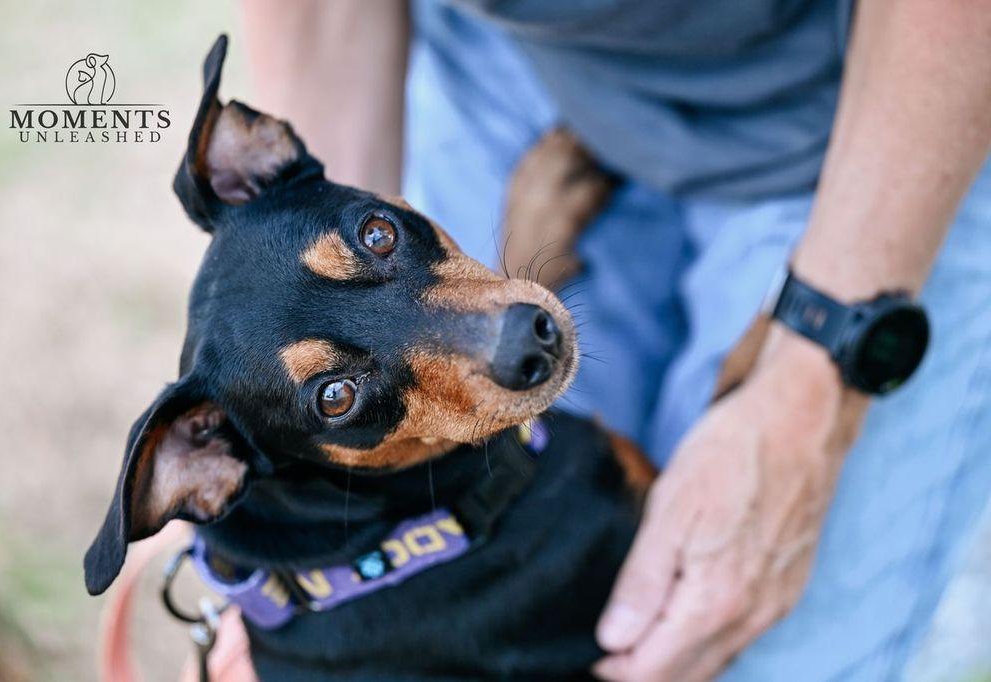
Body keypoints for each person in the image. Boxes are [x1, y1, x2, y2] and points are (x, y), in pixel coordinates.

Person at [240, 1, 991, 680]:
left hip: (877, 83)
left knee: (763, 621)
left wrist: (816, 380)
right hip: (524, 55)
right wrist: (273, 548)